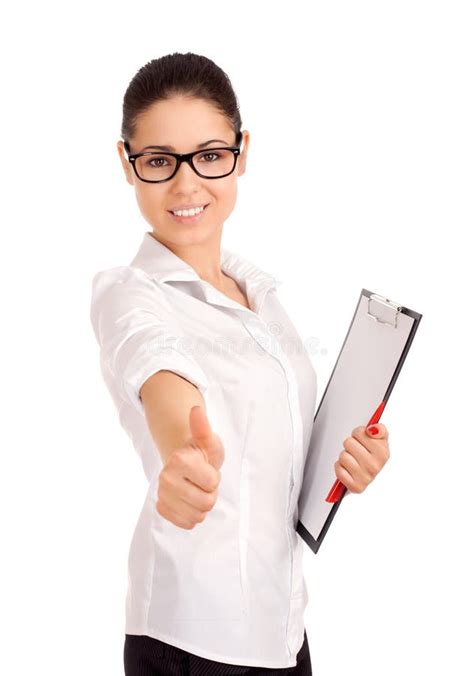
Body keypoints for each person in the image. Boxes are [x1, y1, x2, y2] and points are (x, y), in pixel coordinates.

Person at [90, 52, 390, 676]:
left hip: (282, 627)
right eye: (158, 161)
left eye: (209, 155)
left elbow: (279, 454)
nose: (186, 184)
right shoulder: (130, 294)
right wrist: (182, 457)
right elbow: (160, 373)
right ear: (128, 164)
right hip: (193, 640)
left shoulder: (261, 295)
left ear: (241, 152)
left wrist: (350, 459)